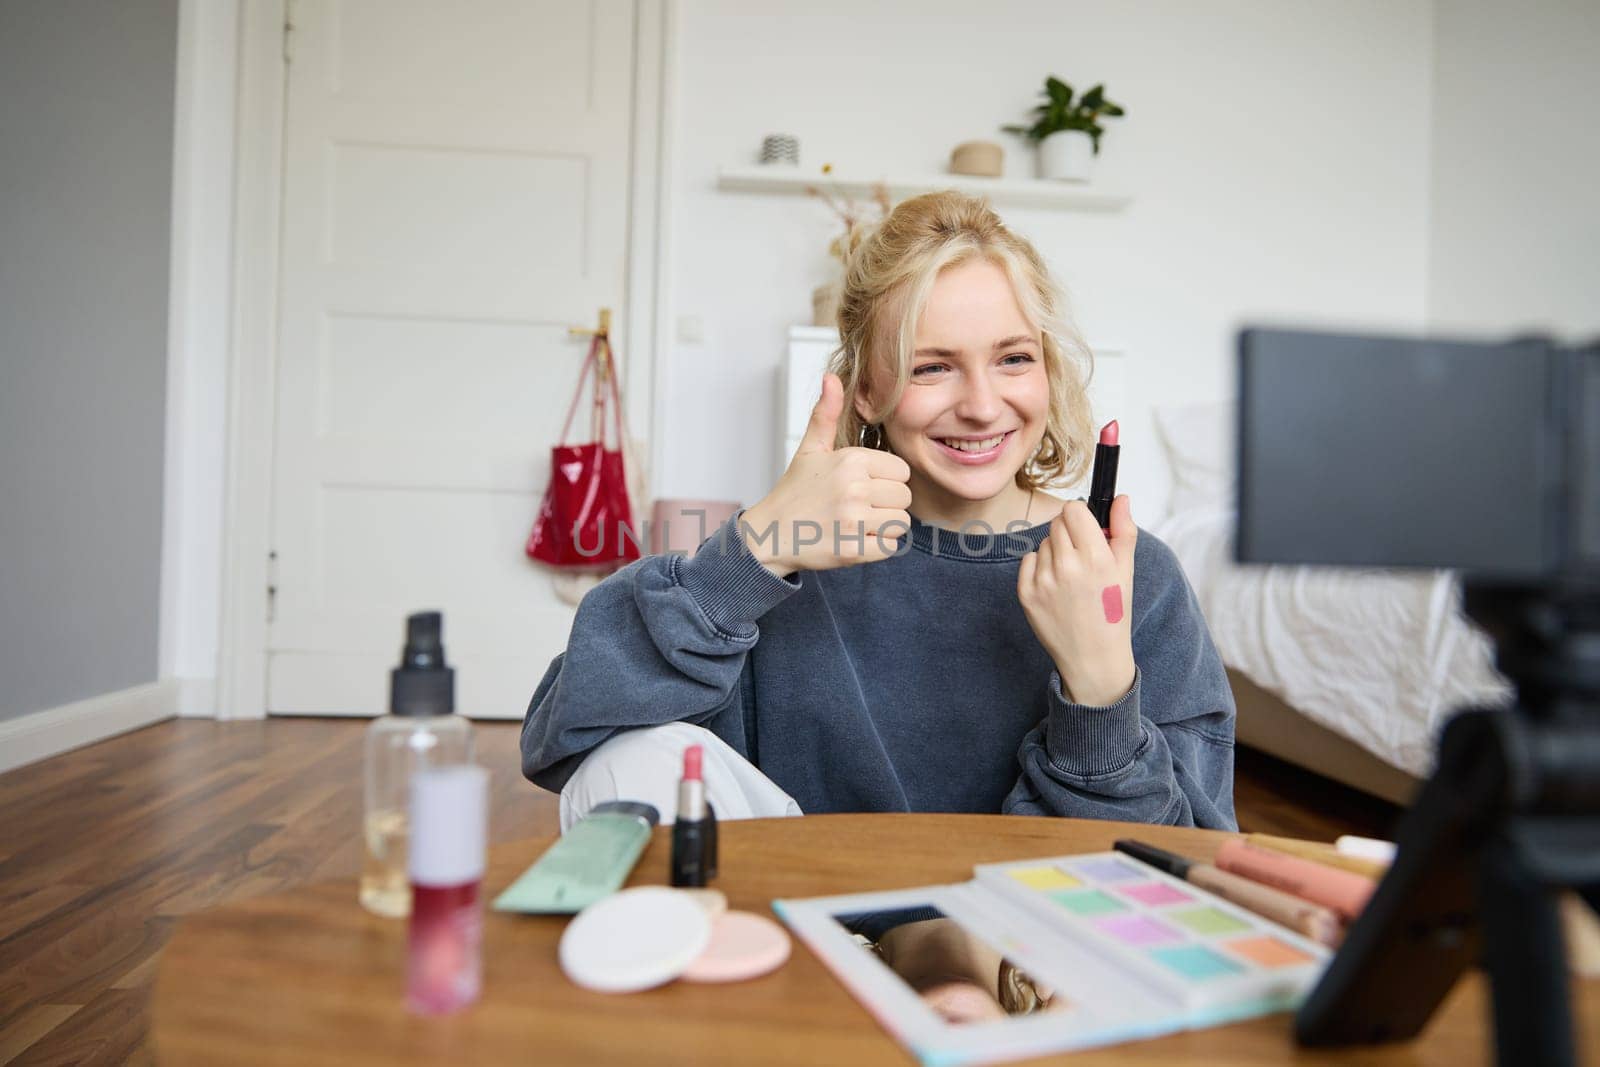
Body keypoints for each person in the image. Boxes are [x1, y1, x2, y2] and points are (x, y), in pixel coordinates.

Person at [521, 191, 1236, 830]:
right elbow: (569, 735)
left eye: (1014, 358)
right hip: (816, 920)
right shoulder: (793, 549)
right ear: (864, 390)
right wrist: (758, 549)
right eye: (932, 366)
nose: (983, 405)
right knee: (628, 761)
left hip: (1022, 942)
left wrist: (1102, 686)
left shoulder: (1133, 574)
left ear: (1048, 368)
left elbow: (1191, 861)